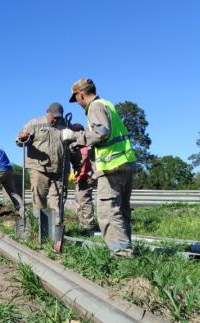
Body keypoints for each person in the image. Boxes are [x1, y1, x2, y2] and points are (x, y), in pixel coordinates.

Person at [62, 78, 137, 258]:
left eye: (77, 99)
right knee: (121, 211)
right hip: (124, 163)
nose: (78, 104)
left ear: (80, 94)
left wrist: (77, 139)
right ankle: (125, 247)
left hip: (112, 167)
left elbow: (101, 133)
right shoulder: (107, 104)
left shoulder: (95, 107)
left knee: (108, 212)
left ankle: (121, 255)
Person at [16, 103, 70, 250]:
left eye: (58, 118)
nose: (55, 121)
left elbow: (72, 146)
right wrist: (23, 138)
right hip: (39, 168)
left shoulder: (65, 125)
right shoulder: (35, 123)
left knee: (58, 202)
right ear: (47, 113)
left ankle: (56, 236)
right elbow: (19, 140)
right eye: (53, 117)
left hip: (60, 170)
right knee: (38, 199)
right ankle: (38, 231)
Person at [69, 123, 96, 232]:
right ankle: (83, 224)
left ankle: (88, 225)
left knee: (85, 201)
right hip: (80, 178)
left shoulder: (83, 146)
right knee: (80, 202)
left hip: (84, 177)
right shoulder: (82, 146)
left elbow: (84, 158)